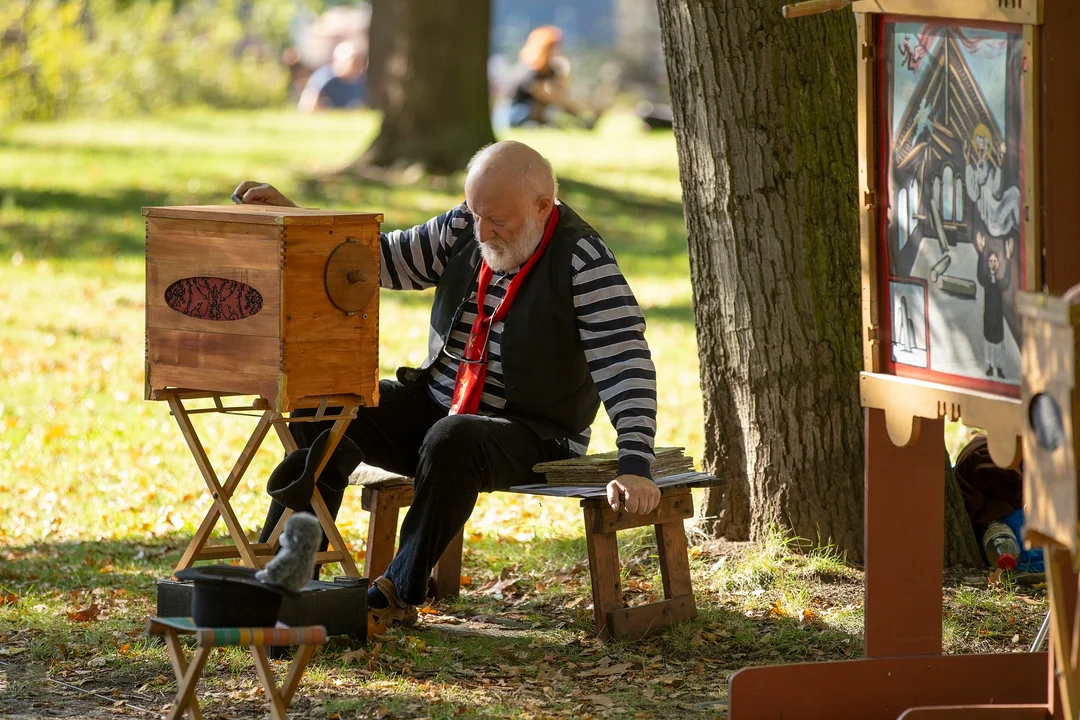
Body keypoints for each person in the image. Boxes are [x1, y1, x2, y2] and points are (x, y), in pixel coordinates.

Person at [232, 141, 660, 629]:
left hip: (533, 433)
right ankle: (289, 572)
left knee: (453, 437)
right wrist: (300, 218)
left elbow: (624, 360)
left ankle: (394, 594)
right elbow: (382, 260)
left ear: (543, 207)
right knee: (323, 402)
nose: (483, 231)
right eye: (476, 214)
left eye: (498, 221)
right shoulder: (466, 224)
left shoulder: (583, 258)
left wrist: (635, 463)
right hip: (440, 407)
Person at [505, 26, 599, 129]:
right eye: (552, 48)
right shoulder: (529, 71)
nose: (556, 51)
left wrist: (566, 70)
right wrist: (579, 113)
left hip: (539, 113)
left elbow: (561, 92)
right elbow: (550, 97)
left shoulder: (551, 70)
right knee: (544, 109)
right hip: (518, 114)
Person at [975, 231, 1013, 379]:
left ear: (998, 264)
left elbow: (1007, 281)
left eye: (994, 261)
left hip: (997, 317)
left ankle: (999, 368)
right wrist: (981, 253)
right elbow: (979, 276)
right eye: (990, 261)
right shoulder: (986, 281)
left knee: (998, 341)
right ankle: (991, 366)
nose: (992, 264)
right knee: (989, 340)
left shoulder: (999, 283)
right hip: (989, 316)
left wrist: (1008, 259)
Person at [297, 40, 368, 111]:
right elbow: (307, 105)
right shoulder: (324, 77)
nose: (357, 67)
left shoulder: (359, 81)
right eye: (354, 63)